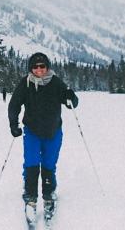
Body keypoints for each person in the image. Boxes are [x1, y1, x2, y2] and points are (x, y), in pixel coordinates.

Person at [7, 52, 79, 216]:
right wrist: (13, 125)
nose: (39, 70)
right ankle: (30, 196)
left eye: (42, 66)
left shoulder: (55, 82)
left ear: (47, 67)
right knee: (31, 164)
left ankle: (49, 195)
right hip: (32, 131)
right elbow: (14, 105)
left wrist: (71, 97)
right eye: (35, 67)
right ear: (30, 68)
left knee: (48, 165)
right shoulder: (25, 83)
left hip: (53, 132)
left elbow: (72, 103)